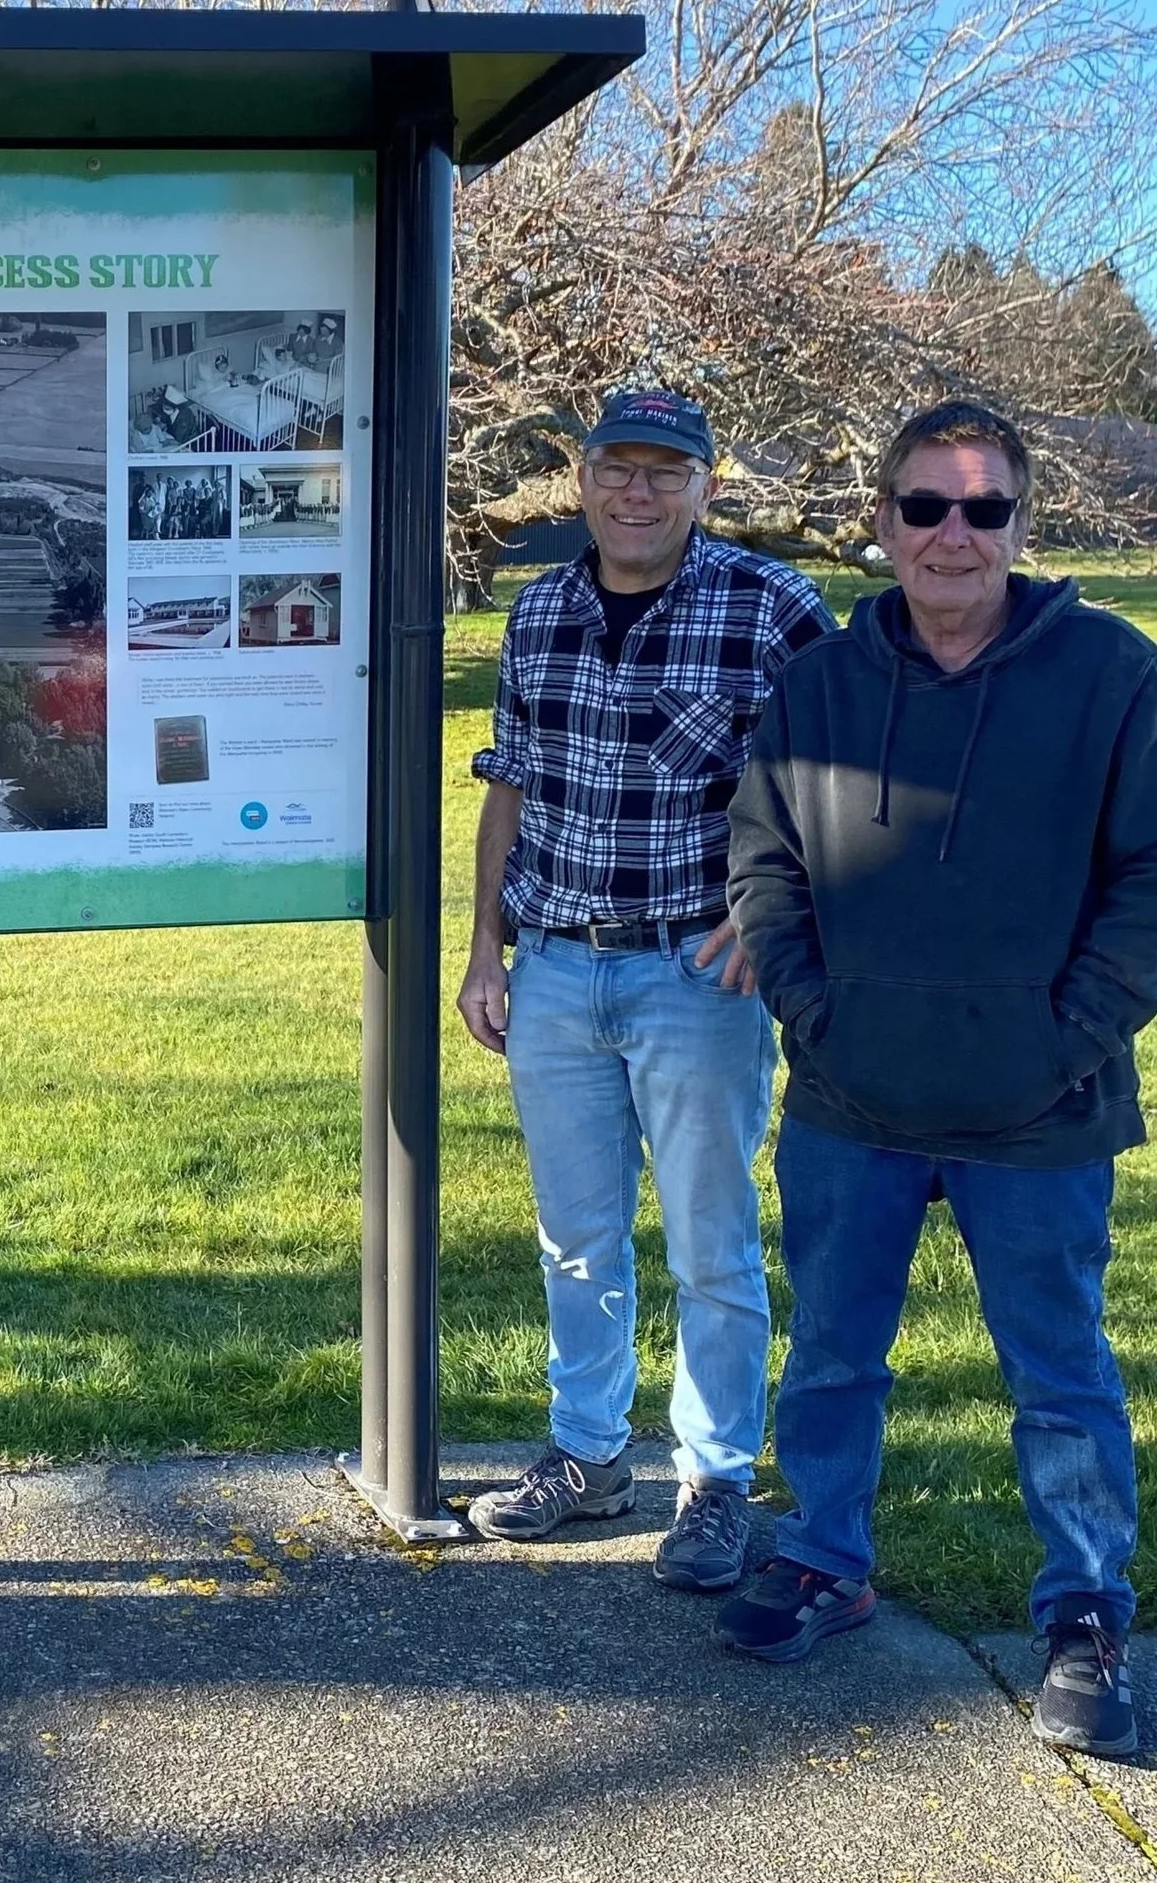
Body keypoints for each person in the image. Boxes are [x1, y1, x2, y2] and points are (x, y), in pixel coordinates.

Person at [720, 401, 1153, 1759]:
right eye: (924, 505)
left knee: (1060, 1373)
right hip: (851, 1100)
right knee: (832, 1352)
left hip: (1043, 1107)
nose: (952, 533)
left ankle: (1084, 1610)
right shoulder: (820, 684)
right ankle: (822, 1554)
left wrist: (1063, 1036)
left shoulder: (1113, 672)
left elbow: (1152, 879)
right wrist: (815, 1014)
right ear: (884, 520)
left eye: (982, 506)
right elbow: (764, 859)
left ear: (1024, 520)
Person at [457, 387, 834, 1586]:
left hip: (696, 970)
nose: (638, 491)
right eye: (618, 467)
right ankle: (588, 1453)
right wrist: (485, 946)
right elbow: (509, 783)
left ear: (706, 486)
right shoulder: (540, 609)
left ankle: (714, 1481)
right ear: (581, 478)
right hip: (558, 963)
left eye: (666, 471)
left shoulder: (771, 604)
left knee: (711, 1244)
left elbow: (837, 778)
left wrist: (767, 914)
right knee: (575, 1237)